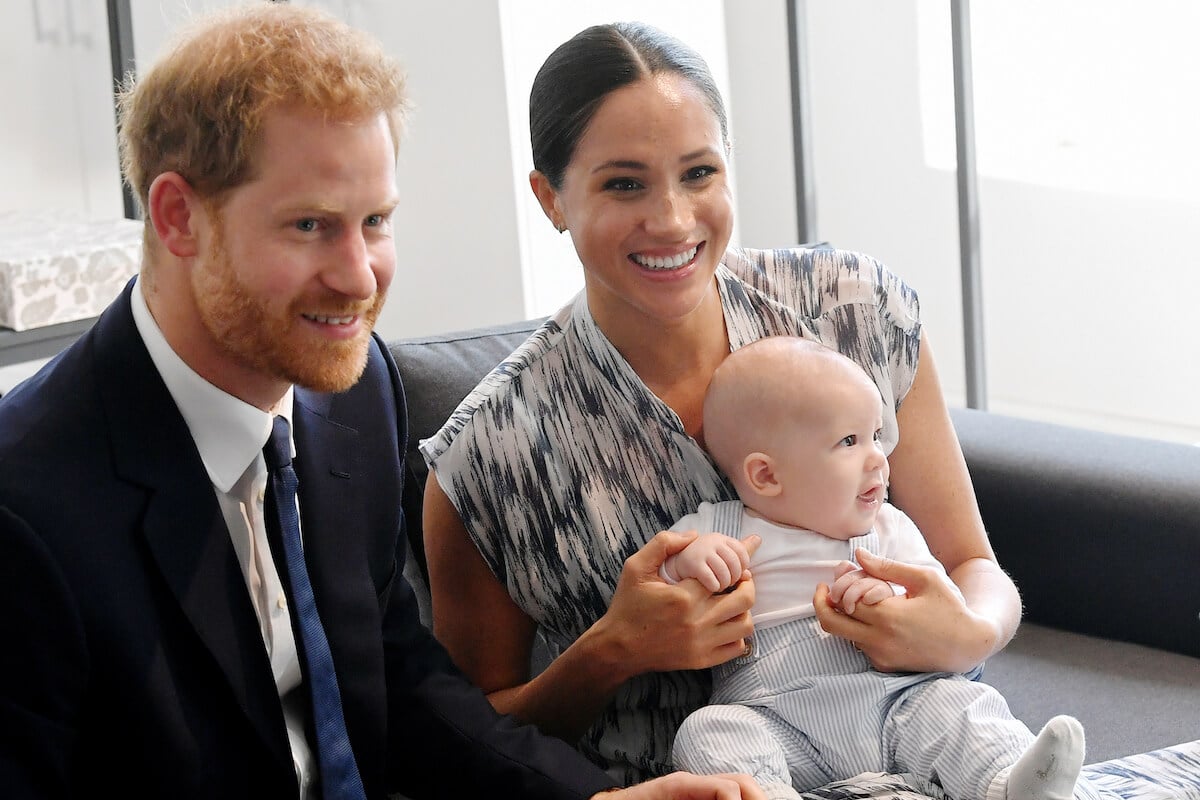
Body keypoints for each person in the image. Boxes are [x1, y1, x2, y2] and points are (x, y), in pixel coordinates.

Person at [0, 6, 767, 800]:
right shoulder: (26, 509)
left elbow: (400, 687)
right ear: (176, 217)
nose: (361, 278)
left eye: (375, 222)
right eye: (310, 226)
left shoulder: (354, 395)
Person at [420, 19, 1023, 788]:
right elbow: (466, 744)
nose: (672, 219)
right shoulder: (490, 455)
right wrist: (613, 651)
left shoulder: (855, 310)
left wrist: (967, 632)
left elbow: (974, 563)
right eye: (624, 183)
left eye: (699, 173)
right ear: (551, 198)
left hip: (926, 757)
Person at [659, 336, 1102, 800]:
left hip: (897, 704)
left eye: (875, 436)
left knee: (962, 707)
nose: (878, 457)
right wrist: (691, 561)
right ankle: (768, 793)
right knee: (707, 731)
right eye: (849, 441)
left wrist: (891, 602)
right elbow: (657, 579)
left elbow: (937, 605)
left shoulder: (889, 529)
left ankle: (1012, 785)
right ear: (766, 476)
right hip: (776, 718)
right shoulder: (719, 528)